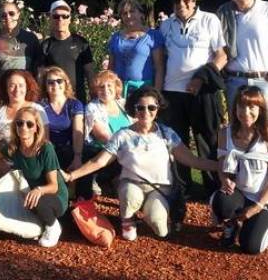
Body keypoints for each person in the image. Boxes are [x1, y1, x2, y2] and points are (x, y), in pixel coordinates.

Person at [64, 86, 218, 240]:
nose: (146, 112)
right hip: (132, 184)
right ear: (134, 109)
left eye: (151, 107)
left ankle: (150, 214)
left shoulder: (166, 134)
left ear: (158, 108)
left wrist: (219, 166)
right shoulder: (122, 135)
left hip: (159, 188)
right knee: (130, 198)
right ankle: (128, 219)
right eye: (140, 108)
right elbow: (99, 161)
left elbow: (191, 160)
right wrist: (72, 176)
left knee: (160, 228)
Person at [159, 0, 227, 195]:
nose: (182, 3)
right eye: (177, 0)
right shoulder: (166, 25)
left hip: (202, 92)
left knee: (207, 140)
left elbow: (222, 56)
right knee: (177, 142)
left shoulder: (209, 20)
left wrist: (201, 77)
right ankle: (183, 187)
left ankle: (213, 188)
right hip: (172, 92)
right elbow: (161, 59)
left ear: (194, 1)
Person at [0, 107, 68, 247]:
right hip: (31, 194)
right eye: (20, 123)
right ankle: (40, 223)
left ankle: (53, 227)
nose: (24, 127)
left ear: (36, 127)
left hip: (53, 196)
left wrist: (39, 190)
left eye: (29, 124)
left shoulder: (45, 149)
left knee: (39, 202)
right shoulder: (13, 147)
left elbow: (54, 186)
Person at [211, 86, 268, 254]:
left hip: (263, 199)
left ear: (261, 110)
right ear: (234, 108)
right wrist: (224, 179)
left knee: (251, 248)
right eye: (241, 106)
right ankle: (231, 224)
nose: (246, 112)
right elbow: (221, 163)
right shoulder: (224, 133)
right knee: (222, 201)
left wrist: (257, 207)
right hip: (240, 194)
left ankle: (258, 224)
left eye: (252, 107)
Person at [0, 69, 49, 194]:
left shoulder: (37, 109)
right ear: (6, 88)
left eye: (21, 85)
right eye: (12, 85)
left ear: (27, 87)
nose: (17, 89)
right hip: (1, 158)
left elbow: (44, 139)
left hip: (29, 159)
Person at [216, 0, 268, 110]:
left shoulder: (265, 9)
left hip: (263, 80)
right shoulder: (223, 14)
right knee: (237, 127)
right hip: (234, 81)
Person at [77, 70, 132, 200]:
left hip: (127, 150)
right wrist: (128, 148)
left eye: (109, 86)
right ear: (96, 90)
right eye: (101, 87)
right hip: (103, 151)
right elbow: (102, 135)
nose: (106, 90)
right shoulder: (92, 107)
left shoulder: (124, 104)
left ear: (116, 88)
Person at [108, 0, 165, 97]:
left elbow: (159, 67)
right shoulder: (115, 37)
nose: (128, 16)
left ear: (141, 14)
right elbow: (111, 67)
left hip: (144, 90)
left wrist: (157, 94)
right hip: (118, 91)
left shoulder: (153, 36)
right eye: (124, 13)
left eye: (132, 11)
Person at [40, 0, 95, 104]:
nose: (60, 19)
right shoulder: (45, 46)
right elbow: (41, 77)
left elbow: (90, 73)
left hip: (78, 101)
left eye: (65, 16)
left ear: (70, 19)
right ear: (50, 19)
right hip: (54, 102)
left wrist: (94, 98)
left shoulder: (81, 43)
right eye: (56, 16)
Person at [0, 1, 41, 88]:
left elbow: (38, 69)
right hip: (3, 92)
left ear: (18, 14)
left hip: (26, 92)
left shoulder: (30, 39)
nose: (8, 17)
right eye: (3, 15)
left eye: (11, 14)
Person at [39, 66, 84, 171]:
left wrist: (77, 157)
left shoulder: (75, 104)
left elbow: (78, 132)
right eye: (50, 82)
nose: (55, 85)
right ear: (45, 86)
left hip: (71, 150)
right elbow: (42, 136)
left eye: (59, 81)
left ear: (65, 83)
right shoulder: (40, 106)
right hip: (48, 151)